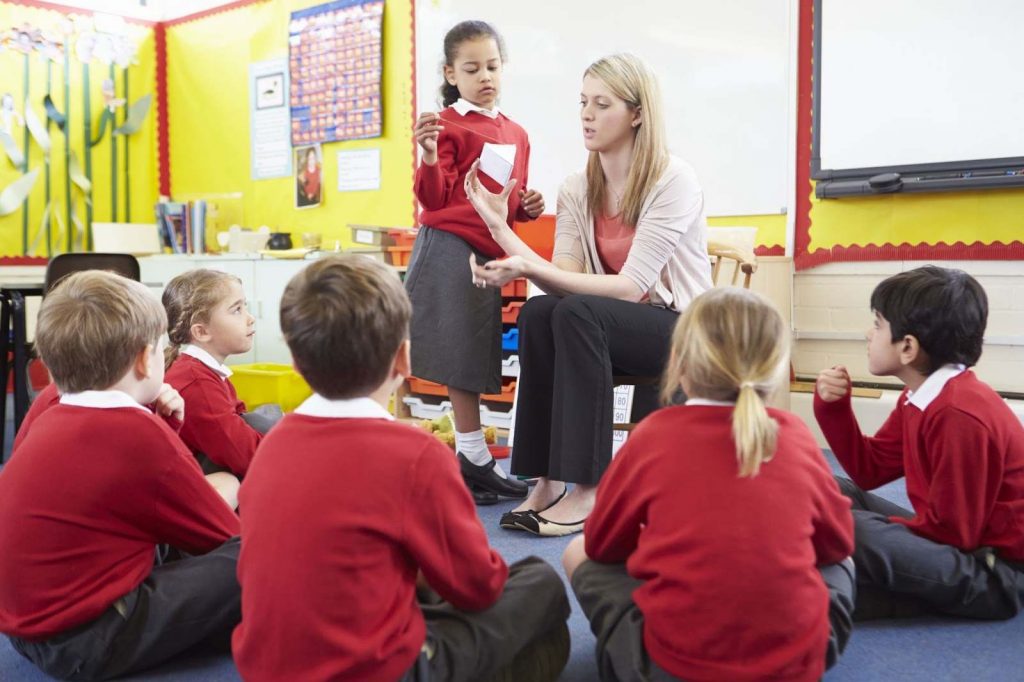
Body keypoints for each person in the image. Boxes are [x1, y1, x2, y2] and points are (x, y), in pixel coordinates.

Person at [233, 255, 570, 682]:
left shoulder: (271, 445)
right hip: (379, 669)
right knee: (538, 583)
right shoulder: (416, 453)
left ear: (298, 364)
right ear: (403, 359)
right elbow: (477, 587)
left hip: (263, 668)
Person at [466, 53, 713, 534]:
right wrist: (499, 227)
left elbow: (629, 287)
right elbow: (561, 276)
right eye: (583, 102)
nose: (586, 114)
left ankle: (589, 488)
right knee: (541, 313)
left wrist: (522, 262)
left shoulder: (672, 179)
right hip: (611, 330)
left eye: (602, 104)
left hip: (686, 331)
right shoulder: (577, 189)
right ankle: (546, 479)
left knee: (576, 312)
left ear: (637, 113)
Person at [562, 287, 855, 681]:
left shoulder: (652, 435)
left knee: (576, 551)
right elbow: (837, 544)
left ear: (679, 364)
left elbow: (602, 545)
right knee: (841, 563)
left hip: (666, 669)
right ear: (773, 369)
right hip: (796, 666)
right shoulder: (795, 433)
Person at [0, 271, 241, 681]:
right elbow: (224, 537)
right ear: (146, 359)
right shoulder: (134, 432)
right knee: (255, 555)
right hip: (86, 642)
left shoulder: (50, 408)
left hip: (27, 630)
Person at [814, 265, 1024, 620]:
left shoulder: (959, 413)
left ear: (908, 347)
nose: (869, 333)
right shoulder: (923, 395)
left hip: (994, 571)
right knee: (828, 489)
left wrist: (875, 532)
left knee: (851, 525)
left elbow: (956, 534)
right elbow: (870, 470)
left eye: (878, 325)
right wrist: (833, 410)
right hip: (953, 535)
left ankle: (828, 583)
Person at [409, 20, 544, 505]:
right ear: (451, 73)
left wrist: (527, 207)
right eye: (472, 68)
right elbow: (433, 197)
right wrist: (428, 155)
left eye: (492, 66)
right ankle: (473, 457)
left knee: (479, 353)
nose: (485, 76)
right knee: (461, 356)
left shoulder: (517, 133)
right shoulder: (444, 124)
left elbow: (507, 206)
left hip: (489, 251)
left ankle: (473, 459)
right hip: (447, 246)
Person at [163, 269, 281, 477]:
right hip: (194, 482)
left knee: (264, 418)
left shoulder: (202, 370)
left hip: (207, 469)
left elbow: (239, 416)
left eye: (245, 307)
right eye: (236, 310)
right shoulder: (196, 382)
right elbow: (246, 456)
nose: (250, 318)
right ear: (202, 332)